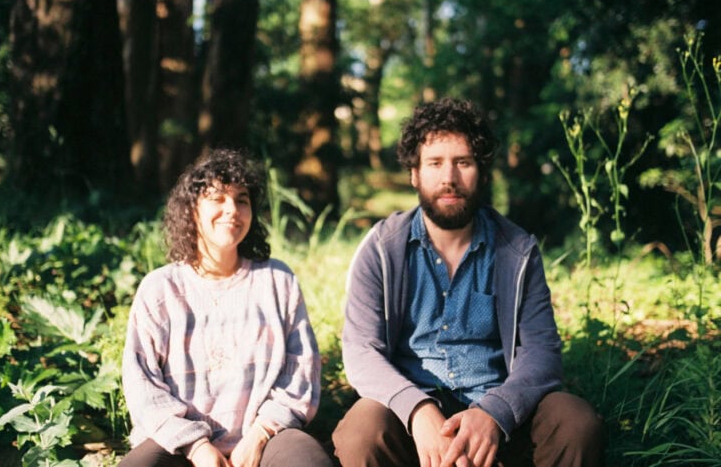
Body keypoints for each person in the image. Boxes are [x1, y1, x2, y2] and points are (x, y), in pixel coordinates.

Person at [332, 98, 605, 467]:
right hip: (411, 422)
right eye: (435, 163)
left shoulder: (517, 251)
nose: (449, 178)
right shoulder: (382, 249)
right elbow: (361, 352)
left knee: (575, 422)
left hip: (501, 419)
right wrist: (418, 410)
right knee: (361, 432)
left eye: (463, 162)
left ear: (482, 172)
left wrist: (494, 413)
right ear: (414, 174)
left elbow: (542, 353)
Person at [118, 149, 333, 467]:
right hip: (180, 445)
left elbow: (301, 371)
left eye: (241, 200)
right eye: (217, 198)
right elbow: (142, 384)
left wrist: (260, 434)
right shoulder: (160, 289)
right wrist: (197, 447)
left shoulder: (277, 281)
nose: (232, 209)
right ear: (192, 210)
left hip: (267, 439)